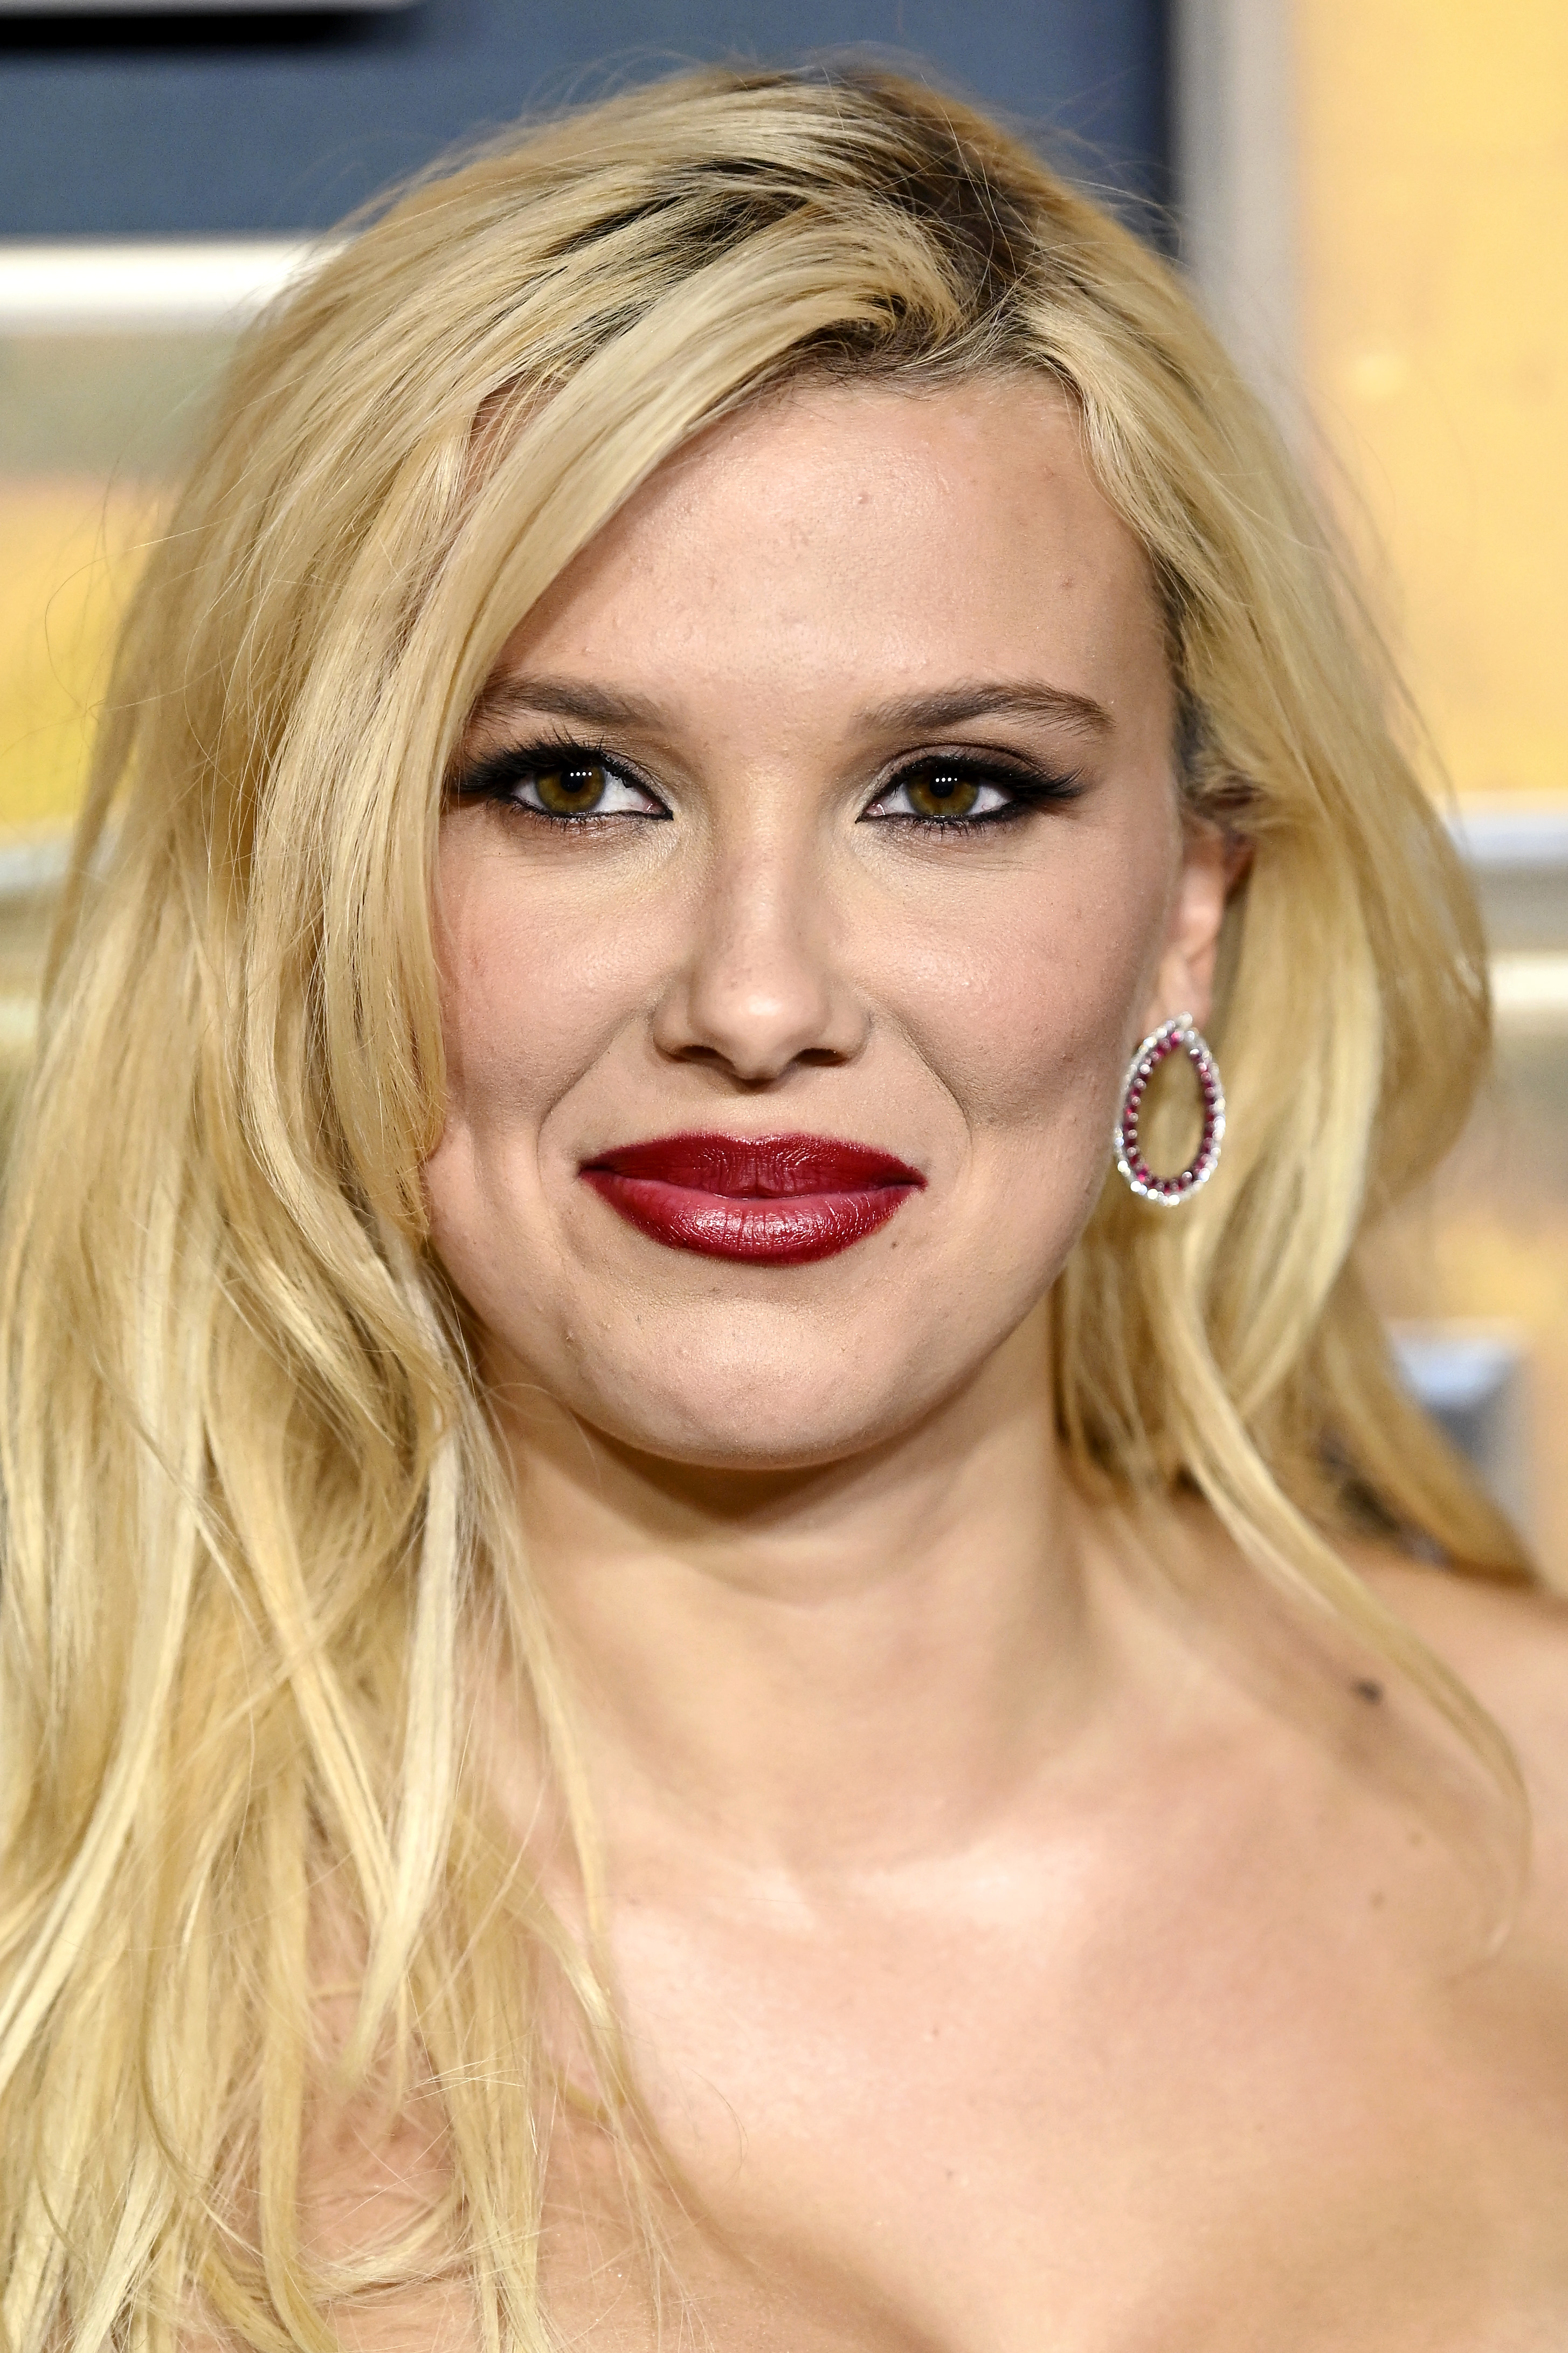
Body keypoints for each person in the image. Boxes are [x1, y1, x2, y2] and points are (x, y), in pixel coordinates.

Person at [2, 61, 1566, 2353]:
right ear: (320, 892)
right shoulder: (54, 1970)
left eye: (950, 790)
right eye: (569, 783)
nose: (757, 994)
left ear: (1180, 918)